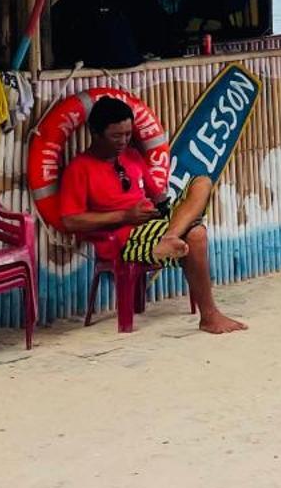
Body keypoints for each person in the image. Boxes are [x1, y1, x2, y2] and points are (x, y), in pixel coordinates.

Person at [58, 96, 246, 334]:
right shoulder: (79, 168)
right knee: (196, 234)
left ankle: (170, 236)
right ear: (95, 134)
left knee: (202, 182)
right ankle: (209, 316)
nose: (124, 141)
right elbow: (70, 220)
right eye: (116, 136)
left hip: (154, 225)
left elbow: (157, 195)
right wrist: (124, 216)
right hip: (123, 236)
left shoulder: (132, 156)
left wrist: (166, 209)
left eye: (127, 134)